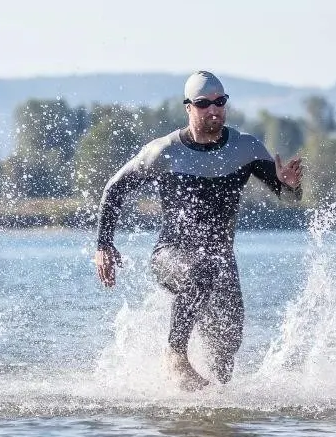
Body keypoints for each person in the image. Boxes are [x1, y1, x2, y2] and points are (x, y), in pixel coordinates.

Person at [93, 71, 304, 390]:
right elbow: (115, 188)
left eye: (220, 102)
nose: (213, 109)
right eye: (204, 104)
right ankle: (174, 355)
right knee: (199, 271)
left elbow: (289, 197)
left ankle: (209, 417)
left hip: (222, 262)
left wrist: (292, 186)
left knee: (228, 344)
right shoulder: (164, 151)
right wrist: (103, 244)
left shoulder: (247, 149)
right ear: (188, 107)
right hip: (170, 256)